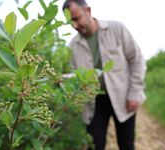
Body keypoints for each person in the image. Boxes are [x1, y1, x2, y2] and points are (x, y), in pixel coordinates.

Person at [62, 0, 146, 150]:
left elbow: (137, 59)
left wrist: (134, 92)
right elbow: (77, 75)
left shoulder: (116, 29)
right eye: (70, 22)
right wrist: (61, 79)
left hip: (123, 95)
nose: (74, 25)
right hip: (94, 101)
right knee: (94, 145)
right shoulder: (73, 46)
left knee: (126, 144)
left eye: (76, 18)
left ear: (88, 11)